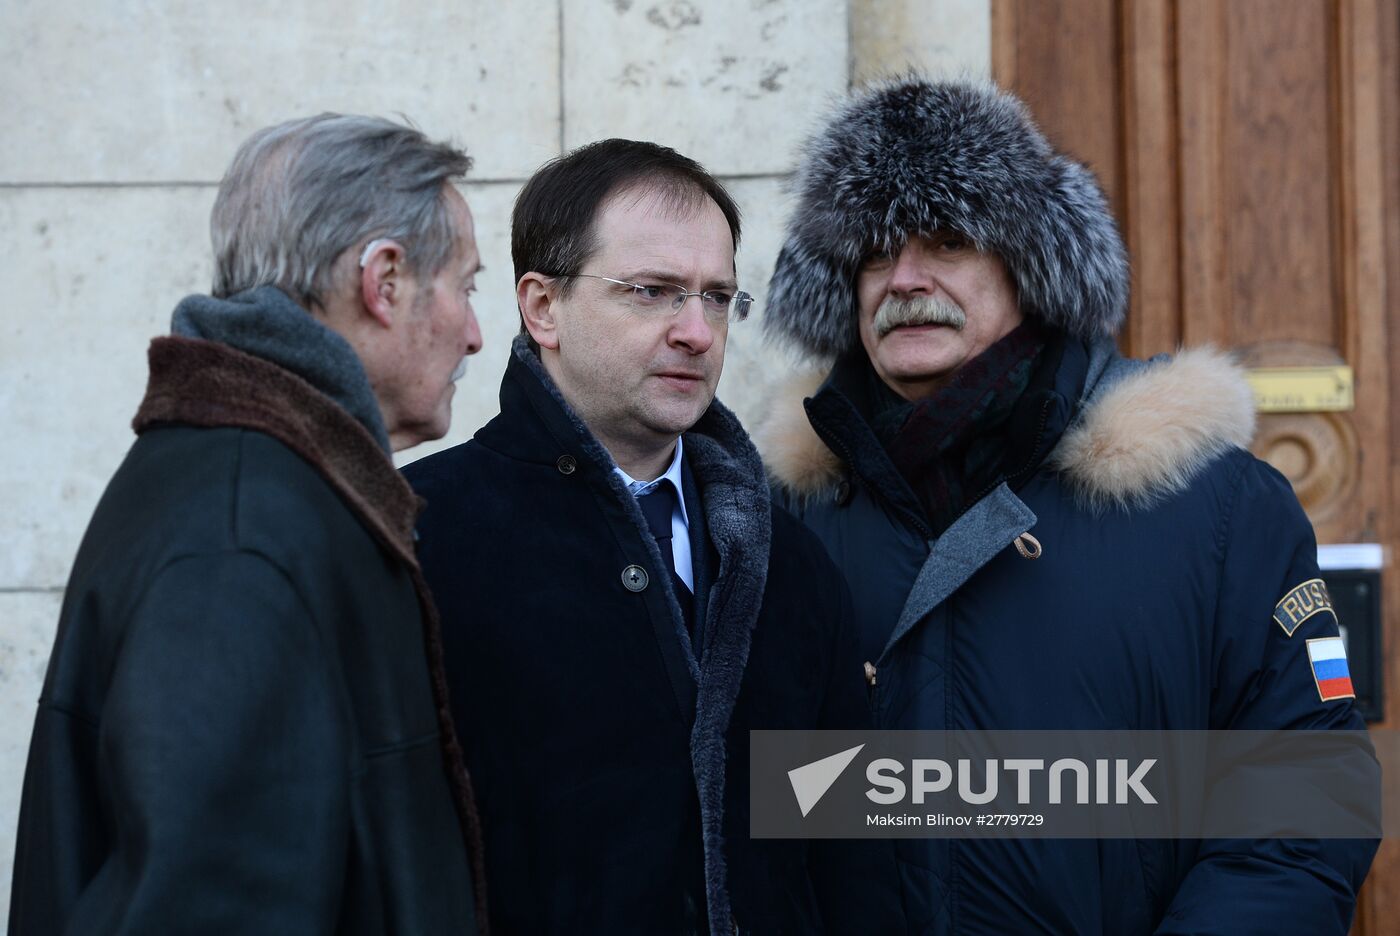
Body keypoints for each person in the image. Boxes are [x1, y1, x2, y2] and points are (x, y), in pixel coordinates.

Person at [757, 77, 1378, 934]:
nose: (903, 278)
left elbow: (1306, 797)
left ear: (1030, 263)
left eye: (947, 239)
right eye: (872, 251)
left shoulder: (1220, 508)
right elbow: (749, 816)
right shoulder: (788, 514)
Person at [403, 138, 902, 934]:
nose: (697, 332)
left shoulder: (790, 562)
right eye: (654, 292)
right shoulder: (418, 538)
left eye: (717, 297)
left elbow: (850, 861)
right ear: (542, 306)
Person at [10, 114, 488, 934]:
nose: (475, 334)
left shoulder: (262, 487)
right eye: (466, 287)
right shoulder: (244, 538)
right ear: (385, 280)